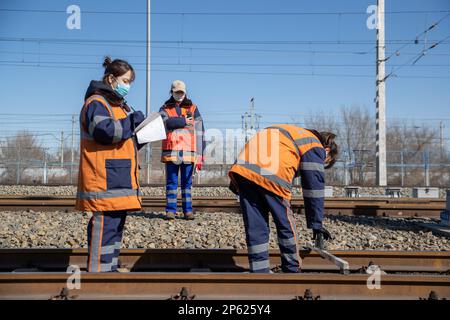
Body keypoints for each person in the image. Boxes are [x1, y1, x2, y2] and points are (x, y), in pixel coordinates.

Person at [228, 124, 338, 273]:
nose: (321, 163)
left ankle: (259, 271)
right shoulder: (314, 144)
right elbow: (314, 189)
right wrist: (316, 223)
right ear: (326, 151)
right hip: (271, 173)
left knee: (255, 225)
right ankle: (292, 269)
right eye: (324, 162)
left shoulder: (294, 133)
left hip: (243, 171)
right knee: (284, 222)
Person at [76, 57, 145, 272]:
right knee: (105, 227)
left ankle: (110, 270)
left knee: (114, 229)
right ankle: (99, 275)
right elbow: (105, 132)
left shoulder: (118, 106)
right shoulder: (97, 103)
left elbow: (123, 140)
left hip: (117, 178)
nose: (128, 86)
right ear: (111, 78)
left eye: (130, 82)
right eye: (125, 81)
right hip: (103, 179)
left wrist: (142, 133)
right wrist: (132, 121)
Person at [159, 80, 205, 220]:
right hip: (171, 152)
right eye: (176, 92)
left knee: (187, 184)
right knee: (171, 183)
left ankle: (188, 211)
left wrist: (200, 156)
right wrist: (184, 121)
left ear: (185, 92)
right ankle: (170, 211)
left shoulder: (193, 108)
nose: (179, 95)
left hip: (189, 153)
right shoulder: (165, 108)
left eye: (181, 92)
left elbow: (200, 132)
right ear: (172, 92)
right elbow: (165, 123)